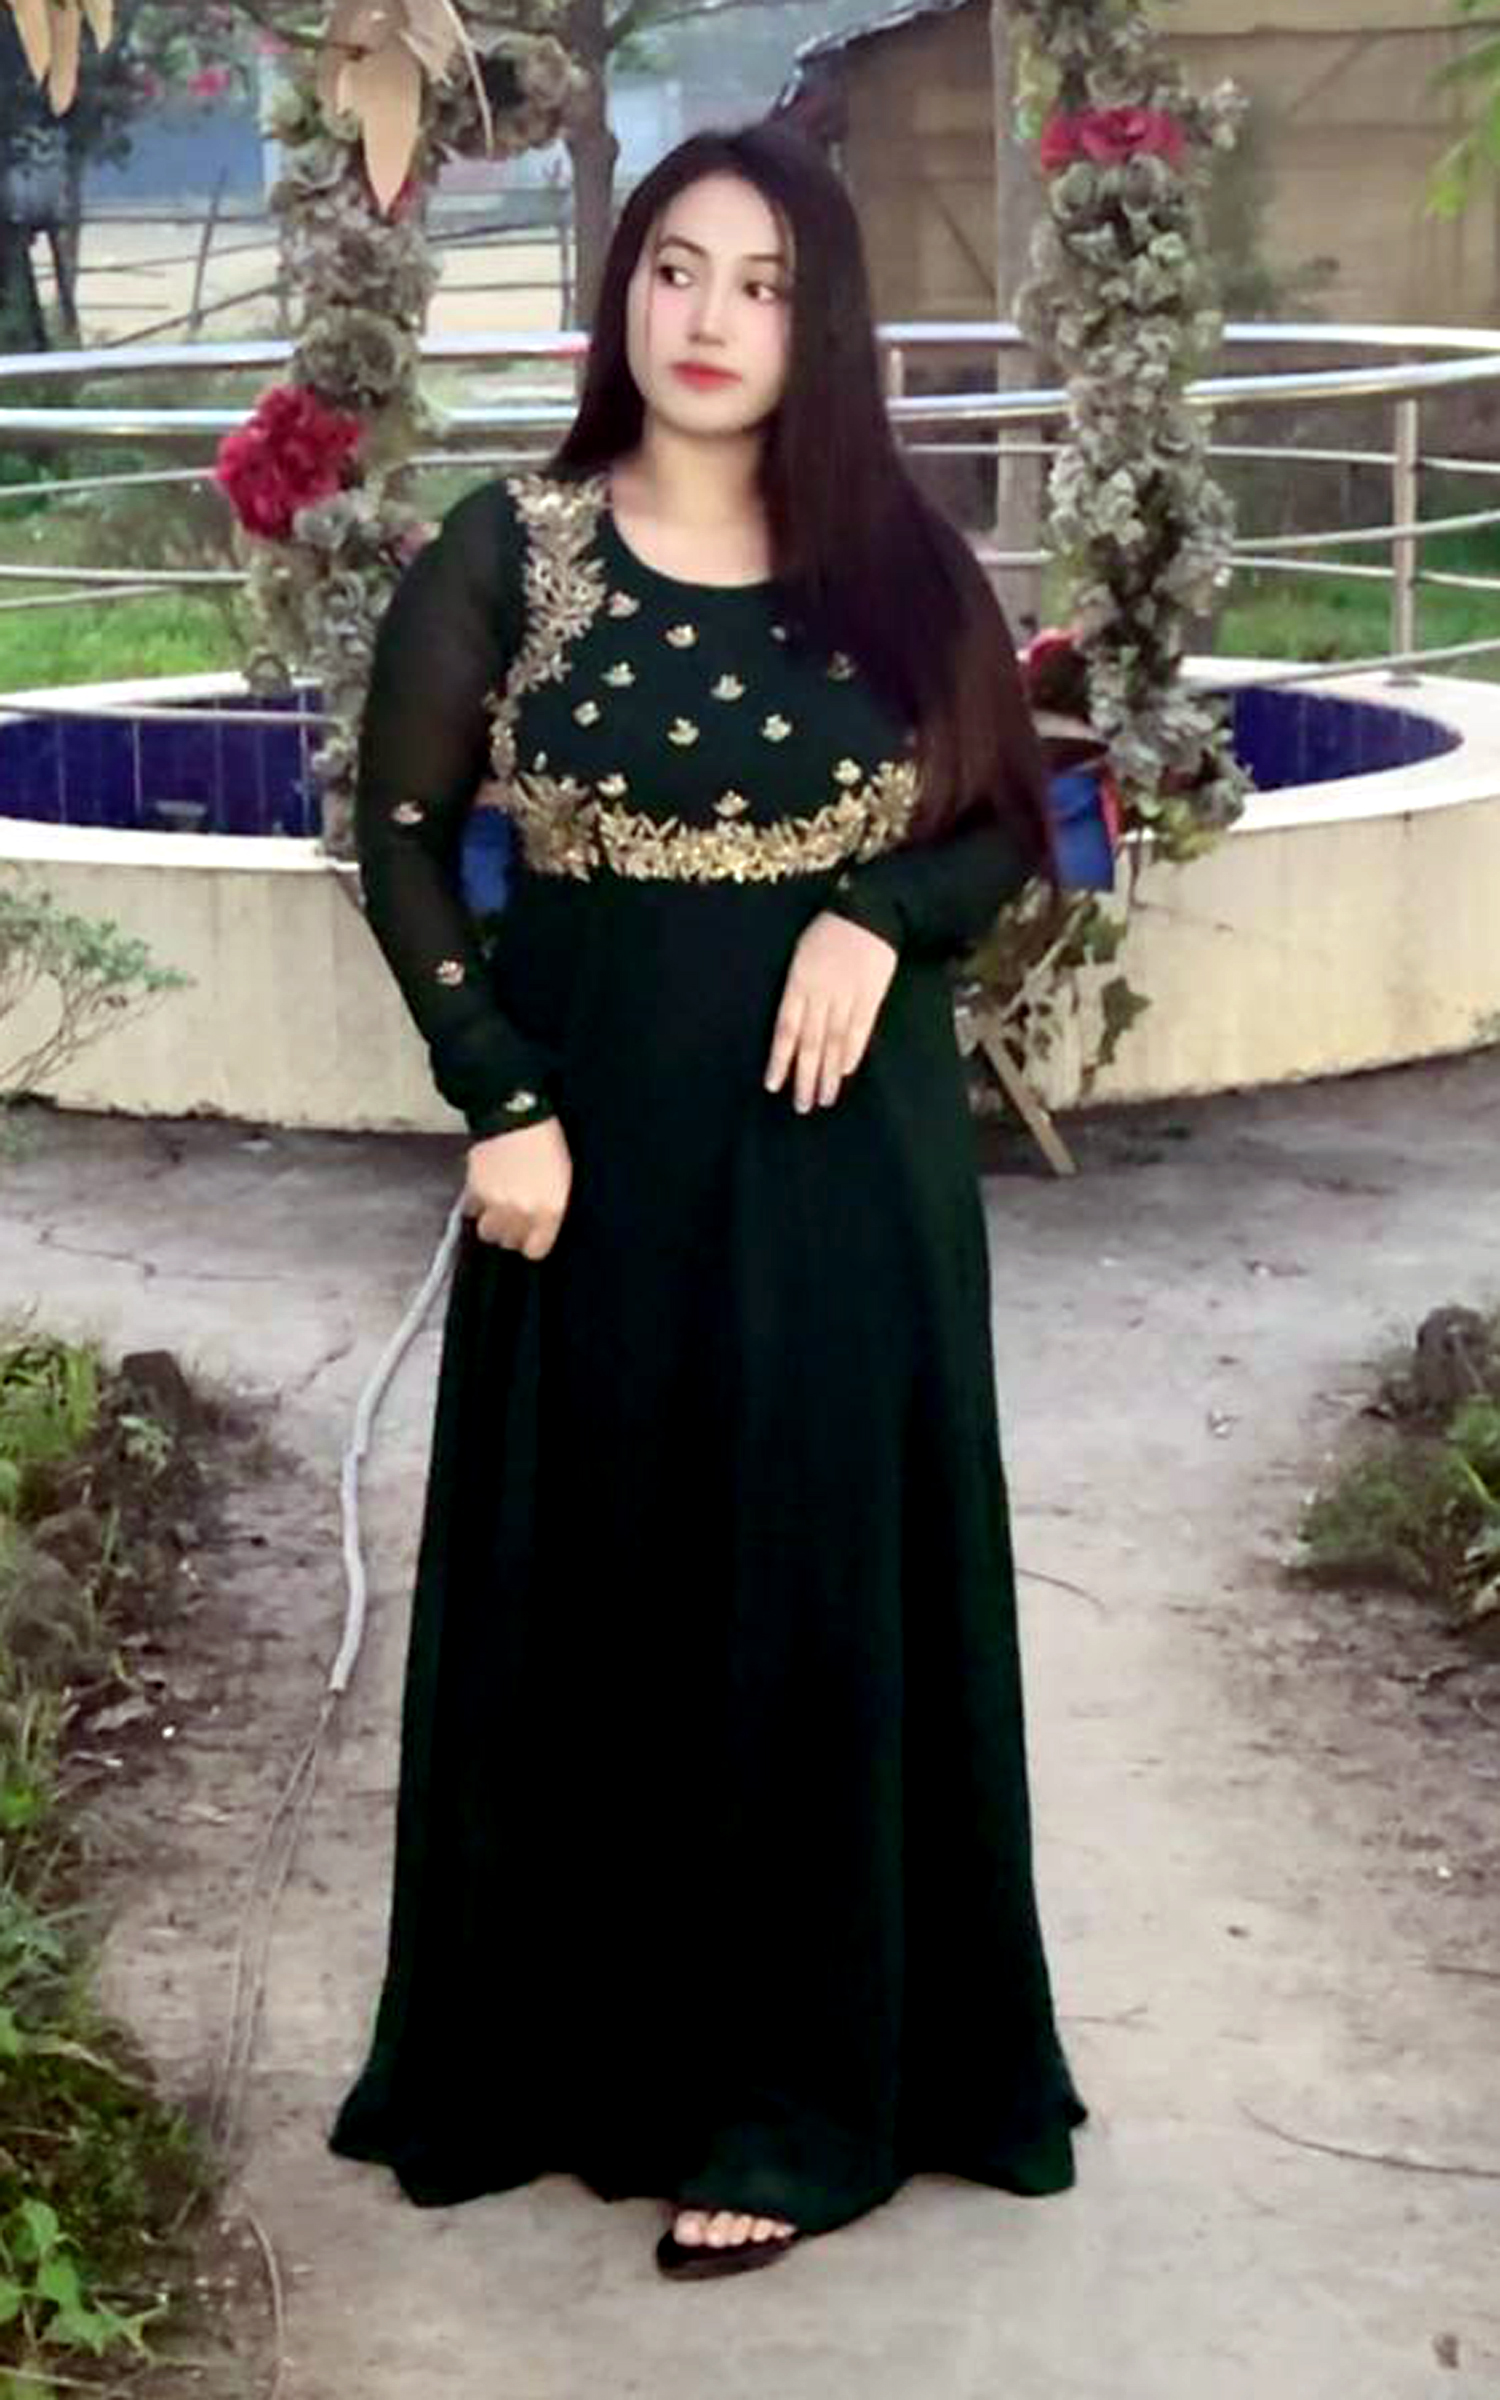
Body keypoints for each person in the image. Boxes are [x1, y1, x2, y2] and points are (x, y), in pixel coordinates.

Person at [327, 119, 1089, 2282]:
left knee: (812, 1596)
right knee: (604, 1585)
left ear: (819, 325)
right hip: (593, 1162)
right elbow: (401, 838)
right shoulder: (515, 549)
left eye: (763, 283)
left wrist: (877, 914)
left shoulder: (899, 568)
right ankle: (581, 2064)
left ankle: (804, 2095)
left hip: (846, 1178)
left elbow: (1004, 822)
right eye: (677, 267)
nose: (710, 317)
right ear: (623, 289)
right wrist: (496, 1095)